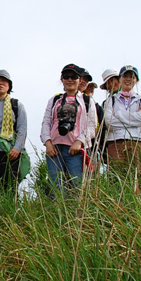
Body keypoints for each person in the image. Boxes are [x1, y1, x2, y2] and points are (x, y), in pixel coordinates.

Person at [40, 64, 93, 192]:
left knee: (76, 186)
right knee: (56, 187)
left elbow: (91, 126)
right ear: (61, 79)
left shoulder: (87, 101)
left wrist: (79, 142)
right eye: (66, 76)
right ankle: (56, 211)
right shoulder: (55, 100)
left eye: (74, 77)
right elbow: (46, 122)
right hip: (55, 149)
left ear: (80, 80)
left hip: (75, 150)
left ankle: (76, 212)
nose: (69, 80)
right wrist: (48, 143)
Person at [103, 66, 141, 168]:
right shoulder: (111, 100)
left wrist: (119, 115)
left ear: (136, 80)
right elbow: (109, 122)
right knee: (116, 176)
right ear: (120, 79)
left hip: (137, 141)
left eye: (132, 77)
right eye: (125, 76)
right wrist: (133, 119)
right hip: (115, 141)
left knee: (137, 175)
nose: (128, 79)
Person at [78, 68, 104, 171]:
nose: (91, 90)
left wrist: (100, 148)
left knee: (89, 176)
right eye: (89, 87)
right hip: (69, 145)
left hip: (90, 146)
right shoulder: (61, 100)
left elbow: (101, 127)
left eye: (92, 88)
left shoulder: (96, 106)